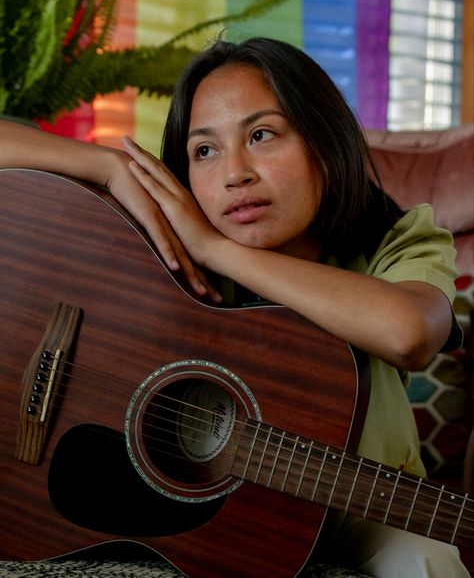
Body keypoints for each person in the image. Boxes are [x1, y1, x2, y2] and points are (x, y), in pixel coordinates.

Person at [0, 36, 468, 577]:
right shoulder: (162, 233)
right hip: (198, 522)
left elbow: (407, 331)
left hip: (368, 509)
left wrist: (216, 248)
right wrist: (107, 166)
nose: (233, 173)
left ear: (323, 137)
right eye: (204, 150)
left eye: (262, 135)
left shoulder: (400, 239)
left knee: (426, 558)